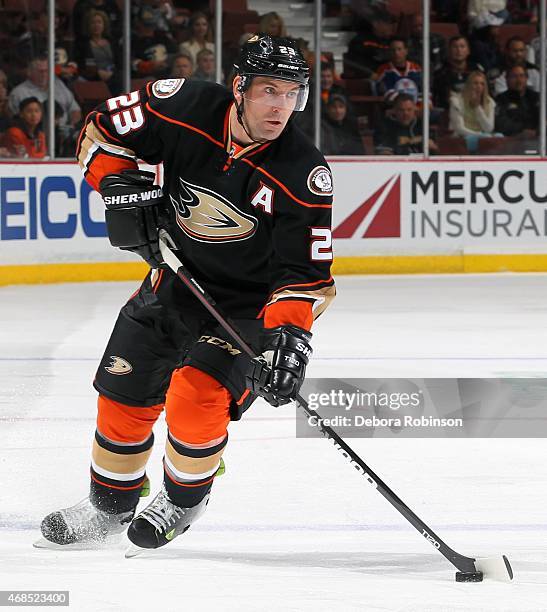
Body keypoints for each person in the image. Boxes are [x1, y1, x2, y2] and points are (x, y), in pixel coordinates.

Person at [38, 34, 335, 553]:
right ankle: (110, 505)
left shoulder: (303, 174)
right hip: (177, 279)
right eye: (269, 90)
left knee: (196, 398)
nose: (280, 106)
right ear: (239, 88)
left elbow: (304, 276)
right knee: (121, 396)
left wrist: (288, 341)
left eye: (291, 94)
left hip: (247, 307)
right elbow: (97, 132)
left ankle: (184, 497)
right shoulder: (180, 105)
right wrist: (117, 184)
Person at [8, 56, 81, 134]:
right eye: (40, 71)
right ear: (29, 72)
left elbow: (75, 110)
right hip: (35, 134)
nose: (44, 74)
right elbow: (15, 119)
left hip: (64, 132)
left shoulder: (59, 85)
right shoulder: (18, 93)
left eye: (47, 71)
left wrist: (72, 126)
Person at [449, 70, 499, 152]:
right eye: (475, 83)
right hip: (462, 138)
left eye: (482, 84)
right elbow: (459, 129)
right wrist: (480, 136)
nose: (479, 86)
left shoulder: (489, 102)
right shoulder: (456, 101)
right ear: (469, 85)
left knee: (499, 136)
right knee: (487, 140)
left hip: (483, 137)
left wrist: (477, 107)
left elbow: (489, 128)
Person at [433, 36, 484, 109]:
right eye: (455, 47)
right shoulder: (441, 72)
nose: (459, 50)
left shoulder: (476, 70)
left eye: (462, 46)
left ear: (468, 51)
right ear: (449, 50)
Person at [76, 10, 119, 93]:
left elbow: (119, 62)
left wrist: (111, 74)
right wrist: (98, 73)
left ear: (104, 25)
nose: (96, 25)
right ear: (88, 26)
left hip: (112, 76)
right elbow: (81, 65)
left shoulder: (112, 42)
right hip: (92, 77)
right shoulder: (83, 44)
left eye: (99, 22)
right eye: (93, 23)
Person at [495, 65, 540, 137]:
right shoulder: (501, 99)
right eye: (514, 76)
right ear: (506, 79)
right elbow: (500, 123)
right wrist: (522, 130)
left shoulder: (537, 97)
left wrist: (537, 131)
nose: (519, 80)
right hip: (512, 140)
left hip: (538, 139)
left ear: (526, 78)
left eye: (522, 76)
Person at [374, 38, 423, 103]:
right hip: (395, 109)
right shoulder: (383, 70)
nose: (396, 53)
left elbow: (423, 90)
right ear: (389, 52)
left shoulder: (416, 68)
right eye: (392, 50)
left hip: (416, 108)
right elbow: (386, 93)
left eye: (399, 49)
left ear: (406, 51)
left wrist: (422, 105)